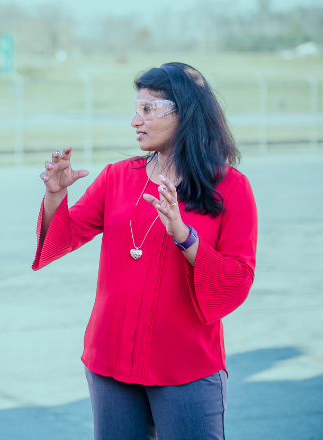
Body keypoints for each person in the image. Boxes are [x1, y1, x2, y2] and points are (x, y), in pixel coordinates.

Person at [33, 62, 257, 439]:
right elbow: (63, 237)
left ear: (184, 114)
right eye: (136, 109)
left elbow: (236, 281)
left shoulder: (231, 187)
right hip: (109, 363)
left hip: (184, 368)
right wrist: (56, 195)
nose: (135, 120)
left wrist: (185, 236)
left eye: (148, 110)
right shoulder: (118, 177)